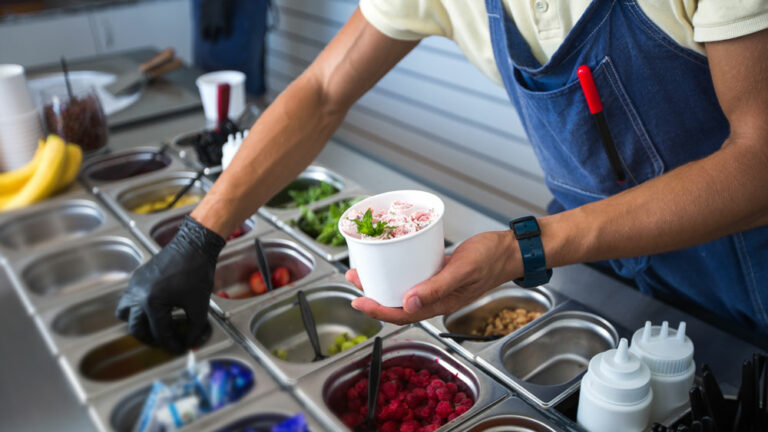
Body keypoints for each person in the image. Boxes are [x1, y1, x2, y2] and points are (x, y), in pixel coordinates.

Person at [117, 0, 768, 352]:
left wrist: (526, 246)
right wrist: (200, 235)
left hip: (750, 284)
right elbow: (320, 93)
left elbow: (758, 160)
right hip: (616, 280)